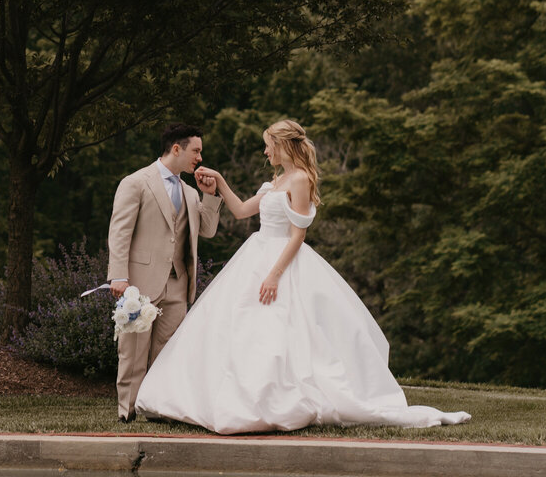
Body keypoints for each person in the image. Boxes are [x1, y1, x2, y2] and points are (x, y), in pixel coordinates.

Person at [134, 119, 470, 433]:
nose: (266, 152)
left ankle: (276, 399)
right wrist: (218, 183)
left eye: (269, 146)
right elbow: (240, 211)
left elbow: (297, 236)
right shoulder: (275, 182)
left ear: (283, 145)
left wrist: (273, 276)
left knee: (285, 333)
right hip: (256, 254)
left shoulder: (301, 181)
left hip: (282, 262)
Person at [107, 122, 222, 422]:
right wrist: (118, 275)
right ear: (176, 149)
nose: (199, 157)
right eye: (195, 150)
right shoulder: (136, 182)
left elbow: (207, 231)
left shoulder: (190, 192)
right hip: (140, 282)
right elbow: (120, 232)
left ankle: (158, 409)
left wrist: (209, 195)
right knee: (132, 352)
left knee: (168, 352)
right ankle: (127, 411)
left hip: (178, 284)